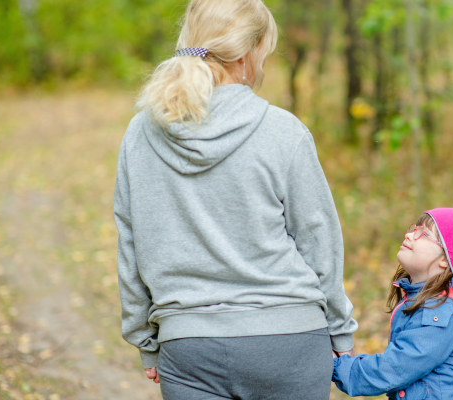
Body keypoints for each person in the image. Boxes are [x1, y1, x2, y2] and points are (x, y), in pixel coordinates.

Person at [113, 0, 357, 399]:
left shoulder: (141, 133)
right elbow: (319, 240)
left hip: (188, 345)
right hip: (290, 340)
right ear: (247, 53)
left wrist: (144, 339)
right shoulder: (283, 131)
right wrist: (340, 331)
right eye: (265, 50)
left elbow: (132, 243)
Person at [332, 208, 453, 399]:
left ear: (446, 259)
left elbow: (394, 369)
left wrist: (338, 367)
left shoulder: (440, 318)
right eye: (414, 228)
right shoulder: (428, 302)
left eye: (423, 234)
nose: (409, 235)